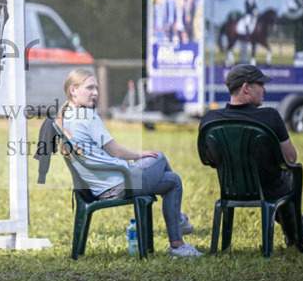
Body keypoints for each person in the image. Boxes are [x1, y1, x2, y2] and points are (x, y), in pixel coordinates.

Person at [57, 68, 202, 258]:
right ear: (73, 90)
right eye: (89, 88)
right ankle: (180, 221)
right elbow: (115, 151)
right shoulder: (88, 116)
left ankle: (177, 245)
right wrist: (139, 154)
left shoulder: (65, 117)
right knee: (159, 156)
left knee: (173, 180)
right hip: (118, 184)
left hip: (102, 186)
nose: (95, 93)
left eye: (96, 88)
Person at [199, 64, 303, 244]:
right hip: (272, 188)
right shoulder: (270, 116)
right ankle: (301, 229)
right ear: (246, 88)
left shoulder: (210, 119)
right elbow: (291, 159)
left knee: (279, 185)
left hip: (231, 188)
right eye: (260, 84)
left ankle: (302, 228)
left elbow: (209, 159)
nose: (265, 89)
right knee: (288, 177)